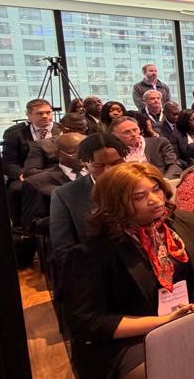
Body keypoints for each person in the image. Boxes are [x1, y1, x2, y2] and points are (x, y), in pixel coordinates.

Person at [60, 162, 194, 379]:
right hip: (133, 338)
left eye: (156, 189)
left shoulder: (184, 222)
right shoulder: (93, 251)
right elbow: (88, 321)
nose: (155, 200)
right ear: (116, 204)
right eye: (139, 197)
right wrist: (164, 322)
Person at [49, 133, 127, 268]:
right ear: (84, 163)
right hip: (97, 268)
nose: (109, 171)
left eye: (116, 163)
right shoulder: (65, 195)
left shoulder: (140, 185)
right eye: (99, 165)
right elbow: (64, 251)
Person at [2, 99, 60, 221]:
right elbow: (8, 163)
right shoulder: (14, 134)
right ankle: (24, 226)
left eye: (48, 112)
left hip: (56, 172)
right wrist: (21, 174)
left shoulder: (62, 130)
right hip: (26, 173)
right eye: (40, 113)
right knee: (16, 190)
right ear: (28, 115)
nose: (45, 116)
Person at [20, 132, 87, 237]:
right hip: (64, 240)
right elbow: (31, 225)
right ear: (58, 153)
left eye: (85, 152)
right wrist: (72, 217)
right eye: (74, 154)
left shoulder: (100, 174)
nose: (81, 158)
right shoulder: (37, 183)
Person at [109, 116, 182, 179]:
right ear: (115, 136)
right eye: (127, 132)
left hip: (160, 181)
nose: (133, 134)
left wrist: (165, 180)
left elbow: (174, 165)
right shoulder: (112, 151)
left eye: (135, 129)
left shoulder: (159, 143)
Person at [22, 112, 89, 176]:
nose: (77, 134)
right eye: (73, 130)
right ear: (61, 127)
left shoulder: (91, 142)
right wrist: (64, 170)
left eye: (82, 130)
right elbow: (30, 171)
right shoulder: (41, 145)